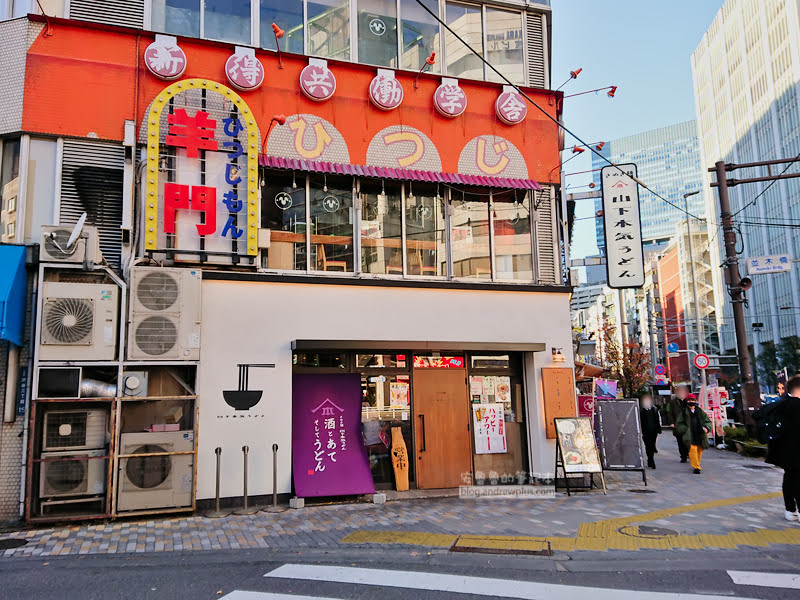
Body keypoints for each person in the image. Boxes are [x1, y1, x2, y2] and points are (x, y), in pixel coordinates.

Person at [772, 375, 800, 522]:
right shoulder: (796, 405)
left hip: (786, 450)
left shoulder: (783, 404)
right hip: (795, 449)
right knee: (796, 479)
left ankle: (791, 509)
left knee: (790, 478)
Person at [675, 393, 712, 474]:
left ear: (695, 401)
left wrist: (706, 428)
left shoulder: (700, 411)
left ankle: (697, 464)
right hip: (690, 434)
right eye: (689, 400)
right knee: (692, 450)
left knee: (699, 450)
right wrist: (685, 429)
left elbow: (707, 421)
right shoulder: (684, 412)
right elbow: (679, 424)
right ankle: (696, 467)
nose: (691, 402)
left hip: (700, 433)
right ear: (687, 401)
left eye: (692, 400)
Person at [669, 384, 691, 463]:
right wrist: (672, 422)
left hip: (687, 424)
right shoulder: (673, 402)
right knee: (680, 441)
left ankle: (689, 453)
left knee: (688, 440)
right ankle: (683, 456)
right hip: (678, 424)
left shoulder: (689, 401)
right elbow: (670, 413)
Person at [639, 393, 662, 469]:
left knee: (652, 445)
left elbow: (658, 420)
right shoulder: (641, 410)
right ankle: (650, 459)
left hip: (653, 431)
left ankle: (651, 459)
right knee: (648, 445)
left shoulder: (654, 409)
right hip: (645, 431)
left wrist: (659, 428)